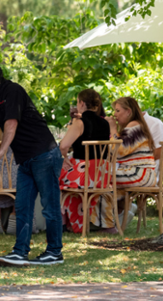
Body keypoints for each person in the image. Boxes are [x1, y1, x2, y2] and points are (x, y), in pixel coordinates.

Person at [0, 62, 63, 266]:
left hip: (44, 154)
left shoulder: (13, 90)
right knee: (22, 206)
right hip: (25, 160)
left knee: (49, 207)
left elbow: (11, 123)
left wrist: (3, 150)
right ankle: (20, 252)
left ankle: (54, 252)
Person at [57, 89, 113, 234]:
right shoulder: (105, 123)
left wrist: (62, 159)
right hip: (102, 174)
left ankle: (62, 222)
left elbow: (63, 146)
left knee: (52, 175)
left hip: (84, 174)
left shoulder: (80, 123)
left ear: (81, 103)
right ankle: (73, 223)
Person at [112, 97, 160, 189]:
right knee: (100, 175)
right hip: (140, 173)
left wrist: (113, 128)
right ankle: (120, 203)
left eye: (117, 111)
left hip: (139, 175)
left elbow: (119, 151)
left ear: (128, 112)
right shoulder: (135, 125)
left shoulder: (134, 125)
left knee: (99, 177)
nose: (114, 114)